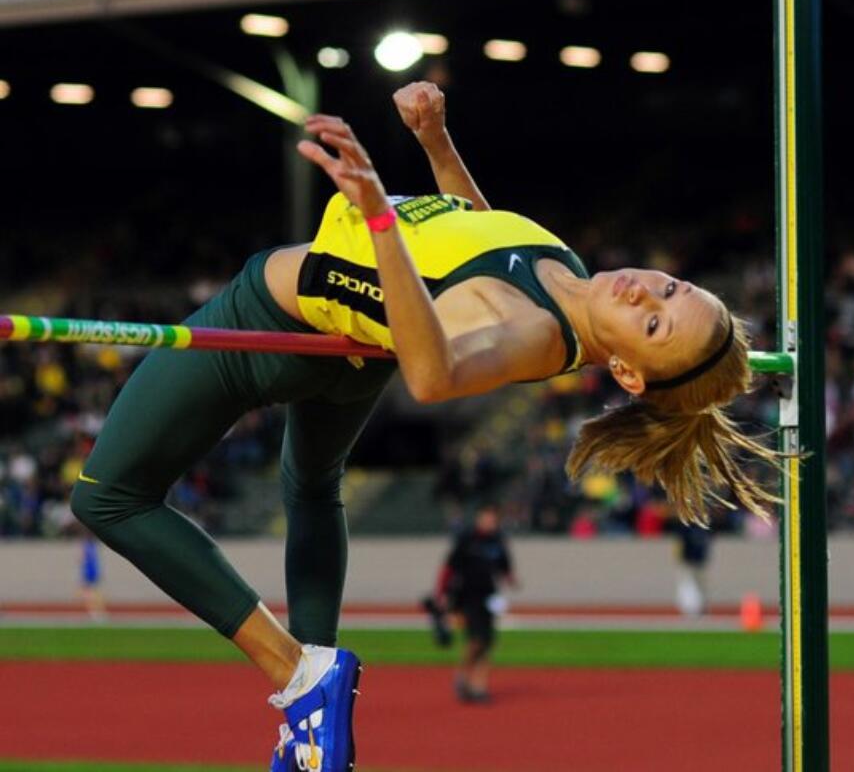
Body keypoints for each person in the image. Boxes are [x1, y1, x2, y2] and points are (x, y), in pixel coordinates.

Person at [68, 82, 779, 772]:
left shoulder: (533, 332)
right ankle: (311, 717)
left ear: (627, 372)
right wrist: (435, 140)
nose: (646, 290)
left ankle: (296, 668)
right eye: (672, 290)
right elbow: (474, 232)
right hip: (345, 357)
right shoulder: (570, 276)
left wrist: (380, 216)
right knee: (311, 485)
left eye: (652, 323)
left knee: (107, 495)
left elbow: (433, 372)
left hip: (265, 324)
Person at [425, 503, 517, 703]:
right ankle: (463, 676)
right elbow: (449, 567)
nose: (490, 522)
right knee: (477, 639)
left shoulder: (498, 541)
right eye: (487, 518)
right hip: (466, 596)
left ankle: (479, 686)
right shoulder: (467, 539)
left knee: (488, 642)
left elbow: (504, 565)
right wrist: (441, 593)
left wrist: (510, 578)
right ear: (479, 519)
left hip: (488, 596)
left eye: (494, 519)